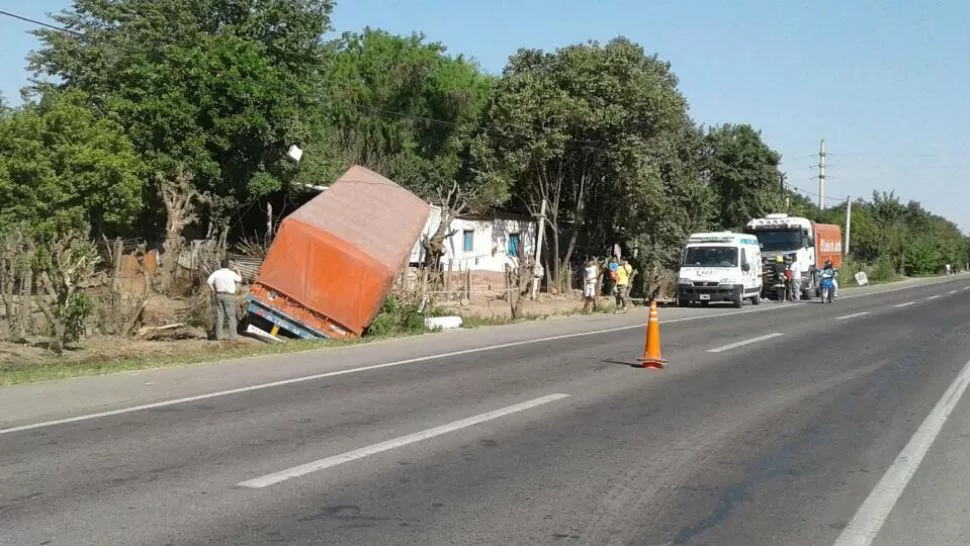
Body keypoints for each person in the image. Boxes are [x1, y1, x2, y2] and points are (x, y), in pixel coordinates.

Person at [207, 258, 242, 341]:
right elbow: (240, 279)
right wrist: (238, 270)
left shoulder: (216, 273)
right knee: (231, 316)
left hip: (219, 295)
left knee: (219, 316)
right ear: (228, 265)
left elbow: (208, 281)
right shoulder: (231, 273)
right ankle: (232, 336)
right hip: (229, 295)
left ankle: (219, 336)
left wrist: (214, 290)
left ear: (221, 265)